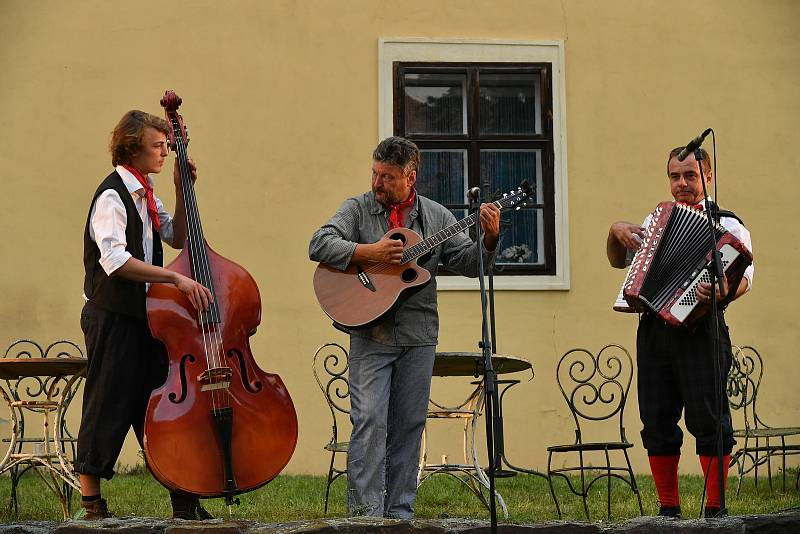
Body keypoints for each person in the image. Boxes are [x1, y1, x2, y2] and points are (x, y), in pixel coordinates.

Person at [309, 136, 500, 518]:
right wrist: (369, 252)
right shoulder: (358, 209)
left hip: (418, 335)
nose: (377, 183)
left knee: (409, 425)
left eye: (388, 177)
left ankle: (399, 515)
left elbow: (467, 263)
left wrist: (489, 238)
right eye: (375, 174)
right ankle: (364, 516)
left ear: (410, 177)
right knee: (368, 422)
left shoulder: (437, 217)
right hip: (369, 334)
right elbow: (319, 243)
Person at [77, 110, 214, 520]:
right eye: (157, 146)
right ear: (133, 147)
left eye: (165, 145)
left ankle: (183, 496)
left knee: (160, 404)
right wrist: (176, 282)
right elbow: (115, 261)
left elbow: (176, 236)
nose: (164, 152)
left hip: (146, 317)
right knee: (107, 399)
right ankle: (91, 502)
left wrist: (180, 188)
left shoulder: (147, 193)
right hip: (113, 314)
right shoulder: (112, 196)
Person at [606, 147, 754, 519]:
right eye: (675, 176)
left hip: (703, 330)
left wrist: (722, 292)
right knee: (656, 417)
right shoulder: (656, 220)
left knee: (709, 418)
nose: (682, 183)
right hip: (655, 330)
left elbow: (745, 279)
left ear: (708, 177)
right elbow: (616, 260)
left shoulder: (729, 225)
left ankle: (715, 510)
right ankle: (668, 508)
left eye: (690, 175)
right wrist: (614, 232)